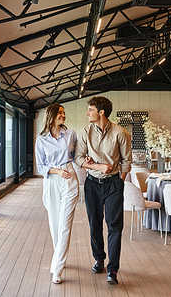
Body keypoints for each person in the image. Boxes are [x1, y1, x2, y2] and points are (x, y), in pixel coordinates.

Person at [75, 96, 132, 285]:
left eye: (90, 109)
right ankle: (99, 258)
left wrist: (120, 181)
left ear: (101, 112)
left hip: (114, 184)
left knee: (115, 226)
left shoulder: (121, 133)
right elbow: (78, 158)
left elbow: (126, 161)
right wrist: (96, 167)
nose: (87, 113)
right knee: (95, 224)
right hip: (92, 184)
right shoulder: (85, 132)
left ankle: (113, 269)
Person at [35, 103, 79, 284]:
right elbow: (41, 166)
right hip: (52, 181)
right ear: (52, 116)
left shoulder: (71, 135)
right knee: (54, 225)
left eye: (64, 113)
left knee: (65, 225)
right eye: (60, 113)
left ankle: (57, 268)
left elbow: (78, 155)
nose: (63, 115)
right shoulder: (41, 139)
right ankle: (59, 257)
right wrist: (57, 172)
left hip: (69, 179)